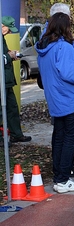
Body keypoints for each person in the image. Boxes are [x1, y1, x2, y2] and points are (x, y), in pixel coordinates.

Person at [35, 12, 74, 193]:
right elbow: (70, 74)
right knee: (69, 139)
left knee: (58, 137)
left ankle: (59, 176)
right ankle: (63, 179)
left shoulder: (43, 49)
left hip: (55, 99)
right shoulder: (64, 48)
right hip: (68, 98)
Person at [0, 16, 32, 146]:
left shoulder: (2, 37)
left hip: (7, 80)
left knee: (12, 107)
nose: (9, 32)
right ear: (2, 26)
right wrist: (9, 56)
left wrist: (11, 55)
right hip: (2, 80)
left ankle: (16, 134)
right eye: (8, 29)